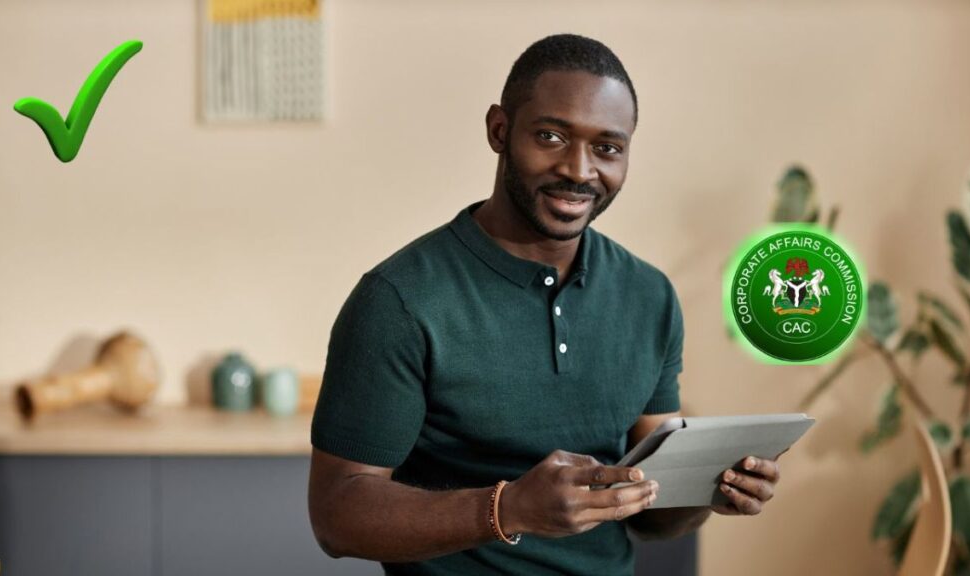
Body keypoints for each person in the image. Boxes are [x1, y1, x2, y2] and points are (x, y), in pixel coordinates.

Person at [308, 33, 782, 575]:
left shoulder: (648, 296)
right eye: (552, 136)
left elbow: (651, 515)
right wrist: (508, 509)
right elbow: (336, 516)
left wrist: (708, 490)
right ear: (499, 130)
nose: (579, 170)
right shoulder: (400, 300)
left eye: (607, 148)